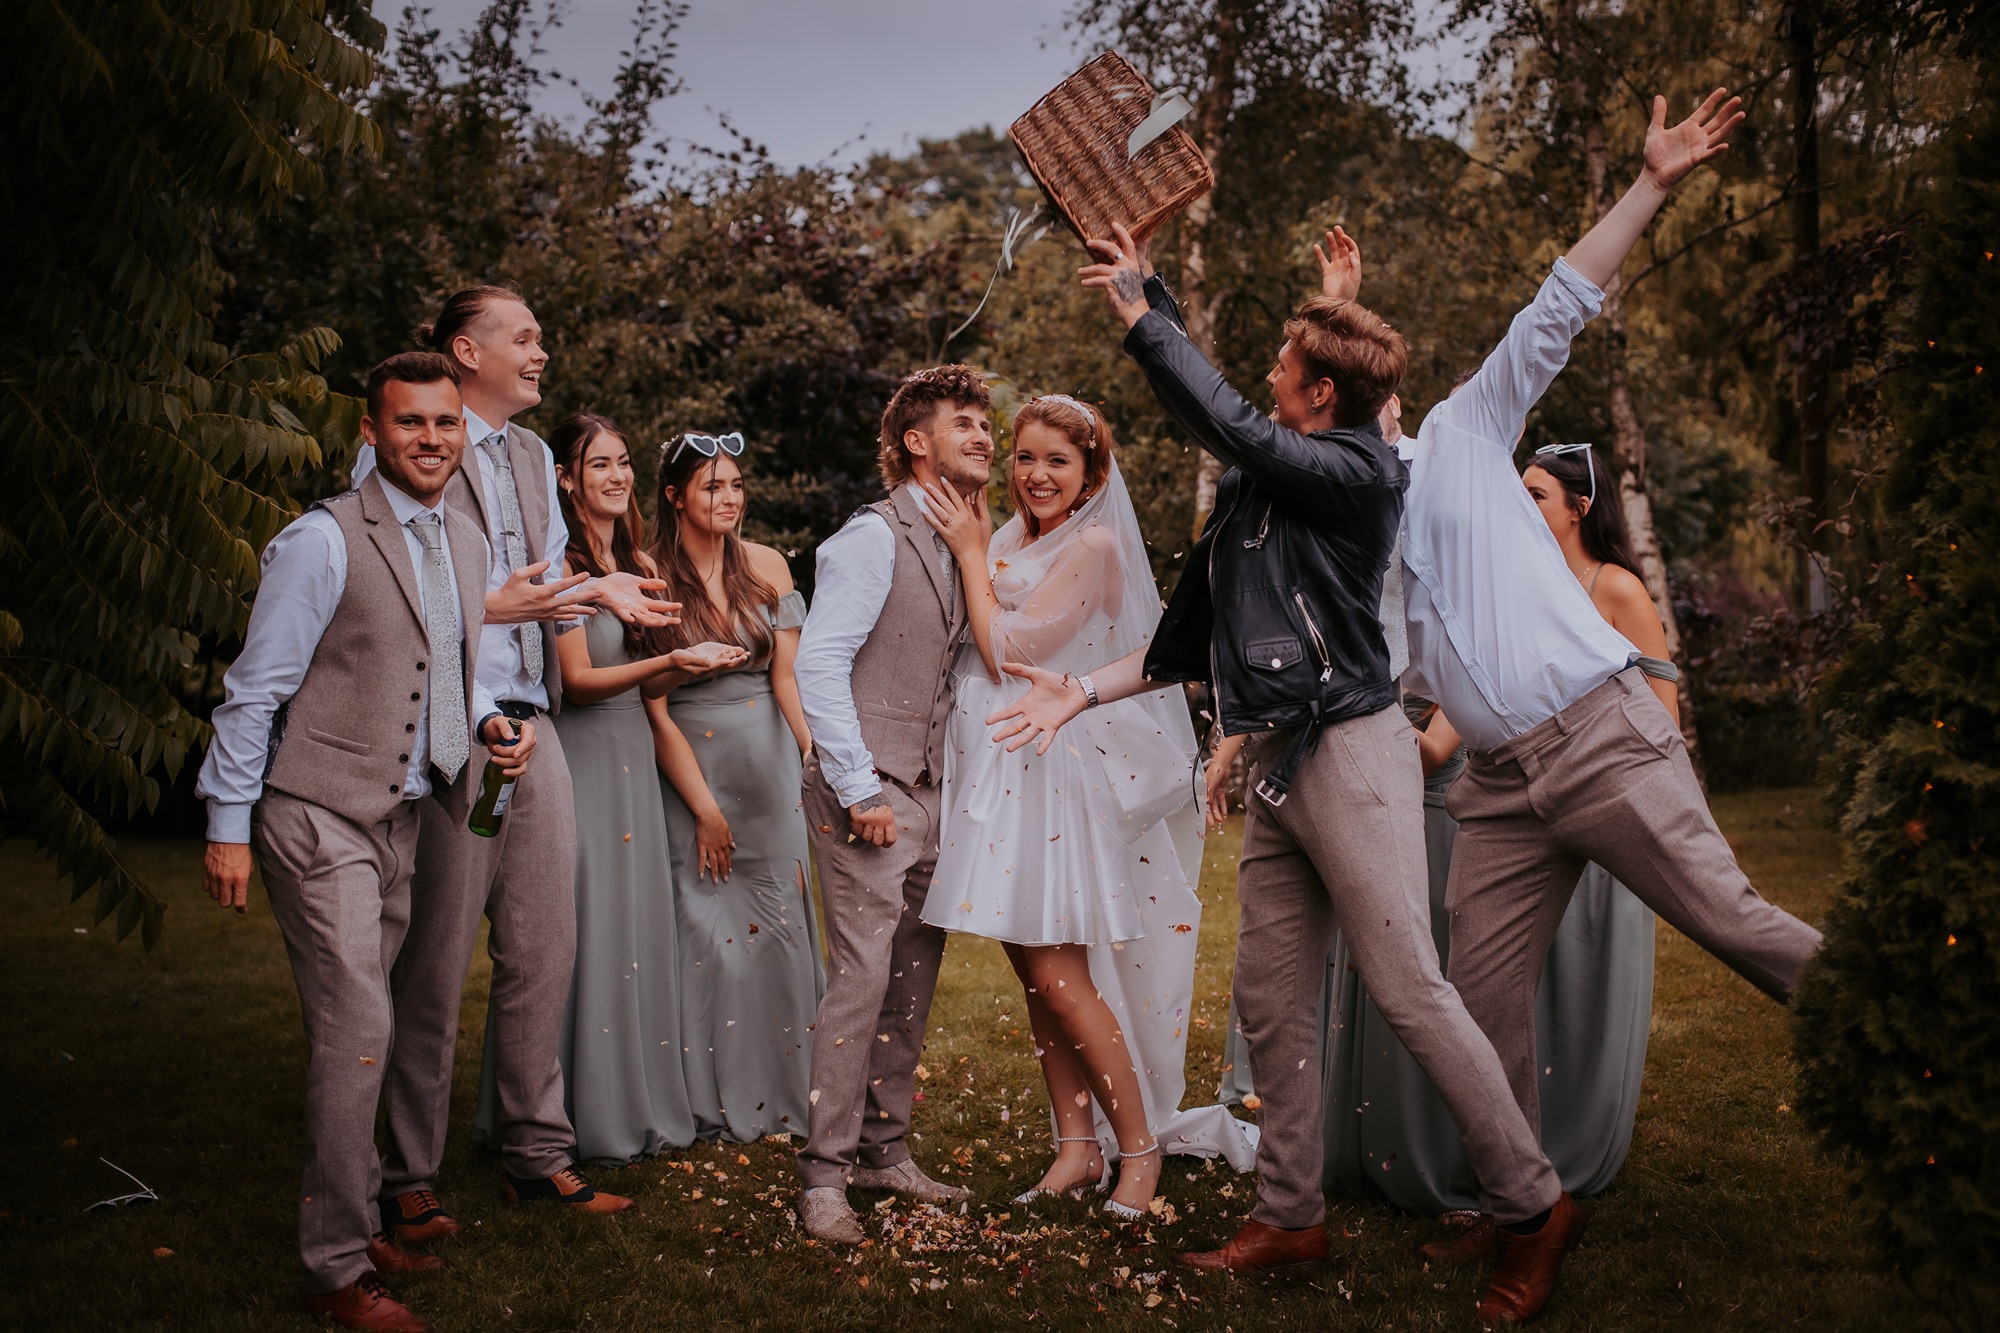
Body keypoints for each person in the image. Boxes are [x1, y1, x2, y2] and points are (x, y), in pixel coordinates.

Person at [991, 221, 1573, 1320]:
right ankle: (1288, 1213)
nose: (1265, 379)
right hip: (1277, 760)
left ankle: (1531, 1204)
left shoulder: (1352, 472)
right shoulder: (1268, 488)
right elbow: (1188, 633)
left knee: (1407, 987)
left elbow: (1228, 418)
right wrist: (1079, 691)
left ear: (1314, 399)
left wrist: (1142, 310)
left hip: (1353, 755)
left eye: (1281, 372)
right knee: (1268, 996)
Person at [1376, 88, 1824, 1316]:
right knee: (1478, 999)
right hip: (1501, 786)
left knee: (1729, 920)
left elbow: (1555, 306)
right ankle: (1523, 1200)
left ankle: (1904, 1031)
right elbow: (1397, 679)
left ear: (1379, 401)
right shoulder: (1359, 529)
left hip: (1600, 737)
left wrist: (1651, 183)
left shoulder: (1466, 431)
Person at [355, 287, 674, 1240]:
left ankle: (539, 1155)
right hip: (454, 725)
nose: (542, 352)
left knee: (545, 948)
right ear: (467, 350)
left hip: (543, 728)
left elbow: (538, 590)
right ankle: (406, 1173)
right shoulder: (417, 453)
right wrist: (487, 710)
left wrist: (600, 586)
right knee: (437, 960)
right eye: (525, 337)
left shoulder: (535, 457)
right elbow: (415, 598)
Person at [194, 353, 492, 1332]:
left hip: (402, 814)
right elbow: (254, 691)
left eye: (444, 424)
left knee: (375, 1025)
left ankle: (363, 1221)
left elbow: (442, 663)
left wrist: (489, 725)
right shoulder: (321, 542)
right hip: (316, 814)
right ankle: (331, 1272)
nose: (431, 440)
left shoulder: (457, 534)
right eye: (410, 423)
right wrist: (227, 826)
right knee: (358, 1029)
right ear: (371, 431)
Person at [918, 394, 1250, 1221]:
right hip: (1001, 767)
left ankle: (1138, 1151)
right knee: (1034, 970)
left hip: (1052, 772)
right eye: (1025, 457)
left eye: (1056, 461)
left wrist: (964, 552)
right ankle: (1077, 1145)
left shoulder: (1092, 543)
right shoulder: (1007, 539)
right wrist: (979, 547)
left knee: (1064, 975)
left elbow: (1013, 647)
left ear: (1090, 472)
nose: (1035, 474)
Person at [471, 413, 747, 1163]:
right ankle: (566, 1116)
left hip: (632, 756)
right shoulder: (560, 563)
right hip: (584, 754)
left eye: (624, 462)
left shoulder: (631, 557)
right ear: (565, 478)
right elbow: (583, 683)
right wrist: (673, 666)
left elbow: (642, 682)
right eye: (600, 465)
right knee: (576, 935)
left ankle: (638, 1100)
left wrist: (686, 659)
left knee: (633, 932)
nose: (618, 476)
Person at [790, 366, 991, 1244]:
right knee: (863, 977)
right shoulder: (872, 538)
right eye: (964, 422)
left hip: (928, 793)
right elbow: (819, 665)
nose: (985, 435)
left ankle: (885, 1149)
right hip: (866, 793)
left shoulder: (960, 534)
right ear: (917, 442)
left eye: (988, 422)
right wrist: (858, 787)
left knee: (912, 974)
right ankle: (823, 1179)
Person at [647, 429, 825, 1144]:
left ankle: (791, 1093)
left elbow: (788, 677)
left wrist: (817, 762)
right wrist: (704, 808)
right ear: (674, 496)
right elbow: (650, 703)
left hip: (770, 768)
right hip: (693, 765)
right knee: (706, 933)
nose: (729, 498)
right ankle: (706, 1101)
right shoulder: (648, 573)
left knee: (780, 929)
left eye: (736, 485)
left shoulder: (768, 564)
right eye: (712, 486)